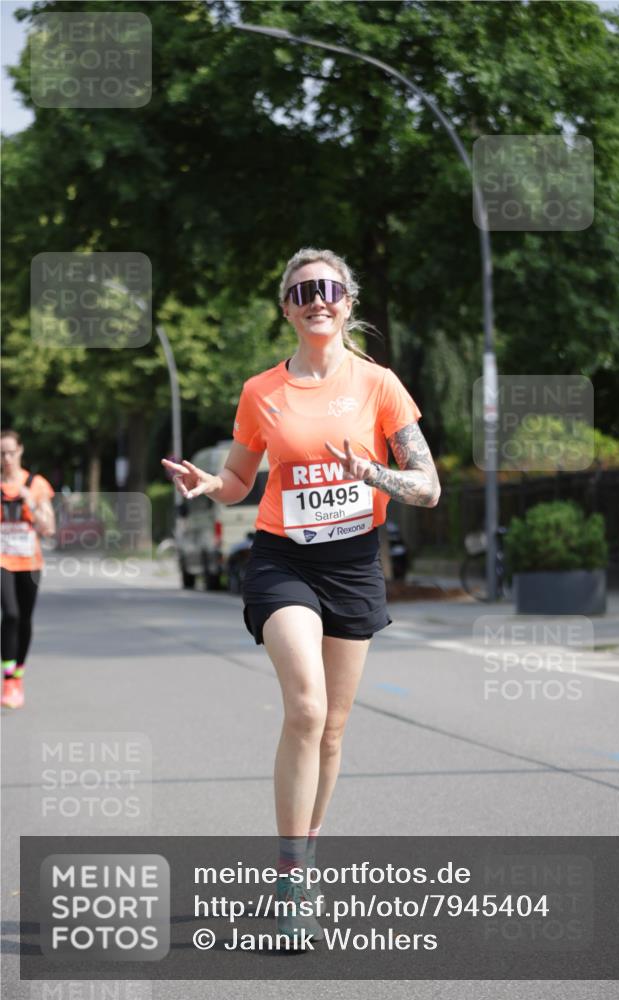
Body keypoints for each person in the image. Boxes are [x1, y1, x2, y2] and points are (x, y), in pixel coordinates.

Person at [162, 248, 441, 942]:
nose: (317, 298)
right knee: (307, 709)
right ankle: (289, 881)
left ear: (347, 302)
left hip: (352, 564)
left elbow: (428, 486)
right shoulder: (262, 392)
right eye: (302, 290)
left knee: (335, 727)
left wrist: (371, 472)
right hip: (283, 560)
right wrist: (208, 486)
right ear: (286, 308)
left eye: (329, 288)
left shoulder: (378, 385)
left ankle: (306, 859)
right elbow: (238, 480)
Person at [1, 429, 55, 708]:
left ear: (21, 451)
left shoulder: (36, 484)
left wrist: (30, 502)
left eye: (11, 452)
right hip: (2, 560)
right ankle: (8, 679)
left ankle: (18, 674)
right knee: (9, 613)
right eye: (2, 454)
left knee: (24, 619)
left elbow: (49, 528)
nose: (7, 458)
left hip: (30, 562)